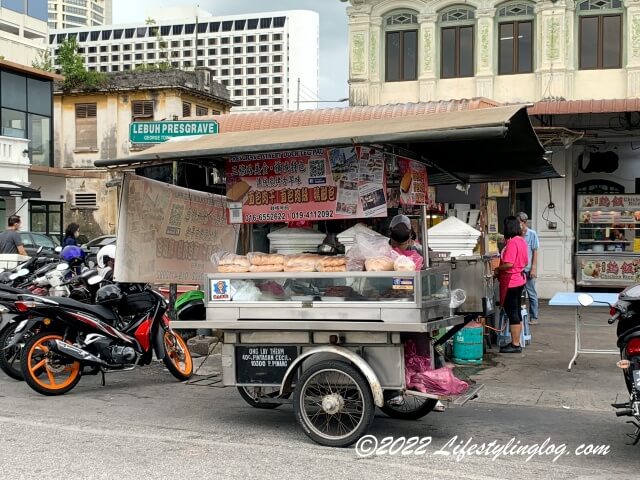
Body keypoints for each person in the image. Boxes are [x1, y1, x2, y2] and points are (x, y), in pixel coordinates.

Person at [495, 216, 529, 353]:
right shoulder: (521, 241)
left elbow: (509, 264)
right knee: (516, 312)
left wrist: (497, 268)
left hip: (512, 281)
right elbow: (525, 262)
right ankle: (516, 342)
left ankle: (515, 344)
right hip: (520, 279)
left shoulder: (512, 243)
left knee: (512, 312)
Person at [517, 212, 540, 325]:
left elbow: (535, 251)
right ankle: (520, 316)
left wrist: (534, 268)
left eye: (519, 222)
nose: (518, 225)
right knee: (518, 294)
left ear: (524, 222)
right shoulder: (516, 234)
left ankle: (534, 317)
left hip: (528, 269)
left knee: (531, 293)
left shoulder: (532, 234)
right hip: (518, 270)